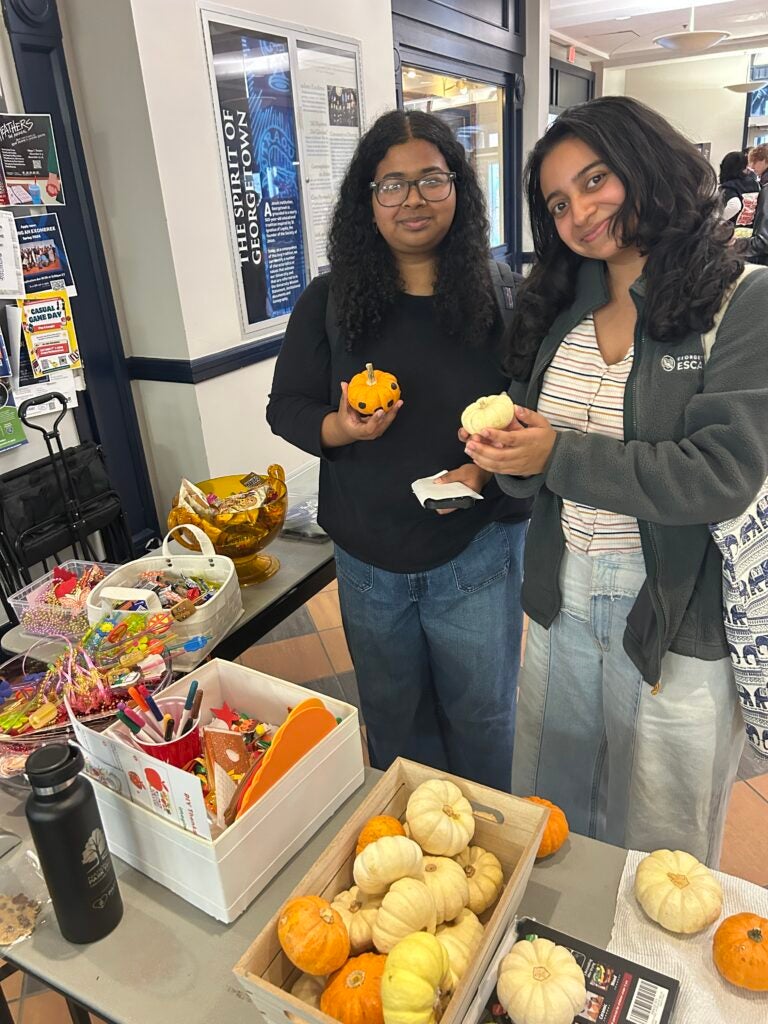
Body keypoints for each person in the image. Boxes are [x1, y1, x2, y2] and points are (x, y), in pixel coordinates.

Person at [462, 96, 768, 865]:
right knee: (551, 814)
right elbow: (537, 450)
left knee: (658, 848)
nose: (581, 213)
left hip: (673, 614)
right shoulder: (561, 304)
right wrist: (501, 455)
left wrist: (556, 455)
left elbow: (721, 474)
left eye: (596, 180)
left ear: (646, 166)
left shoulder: (743, 301)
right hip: (559, 595)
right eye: (559, 203)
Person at [267, 109, 530, 790]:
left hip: (476, 554)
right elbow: (287, 407)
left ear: (459, 191)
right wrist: (342, 430)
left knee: (481, 722)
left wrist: (481, 472)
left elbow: (536, 420)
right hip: (366, 561)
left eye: (431, 181)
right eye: (391, 185)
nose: (412, 199)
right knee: (393, 728)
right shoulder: (328, 302)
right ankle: (416, 863)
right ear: (368, 201)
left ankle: (487, 864)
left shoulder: (505, 300)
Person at [718, 150, 759, 227]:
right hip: (751, 229)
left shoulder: (729, 186)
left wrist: (718, 221)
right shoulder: (755, 184)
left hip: (732, 231)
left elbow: (734, 206)